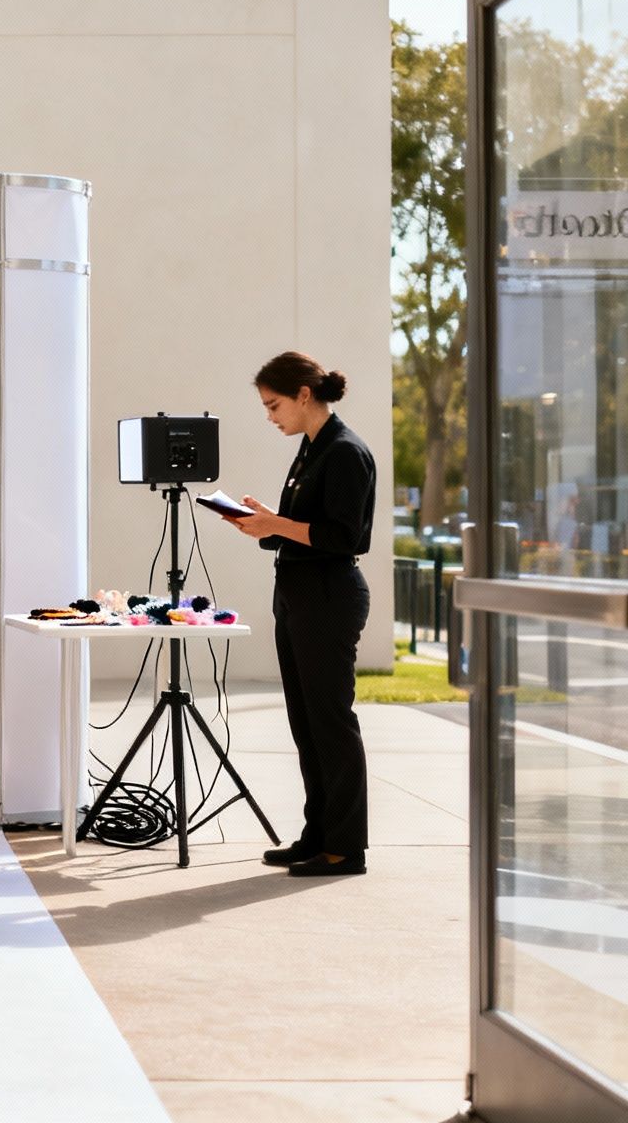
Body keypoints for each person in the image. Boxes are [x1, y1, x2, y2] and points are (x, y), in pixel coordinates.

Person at [220, 352, 376, 877]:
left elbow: (342, 537)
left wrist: (276, 524)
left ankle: (345, 847)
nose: (270, 417)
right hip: (298, 591)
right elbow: (301, 525)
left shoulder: (345, 453)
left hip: (329, 596)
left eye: (274, 405)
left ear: (304, 395)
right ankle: (318, 834)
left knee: (331, 721)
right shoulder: (311, 451)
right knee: (305, 723)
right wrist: (264, 524)